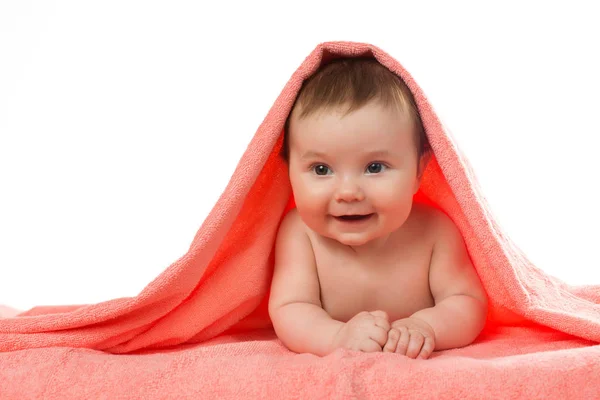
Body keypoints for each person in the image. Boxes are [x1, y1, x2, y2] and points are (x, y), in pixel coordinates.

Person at [268, 57, 488, 359]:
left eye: (374, 167)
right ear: (289, 171)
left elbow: (467, 301)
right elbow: (290, 308)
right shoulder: (300, 234)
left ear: (418, 172)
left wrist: (427, 326)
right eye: (321, 169)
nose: (348, 192)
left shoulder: (435, 232)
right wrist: (336, 337)